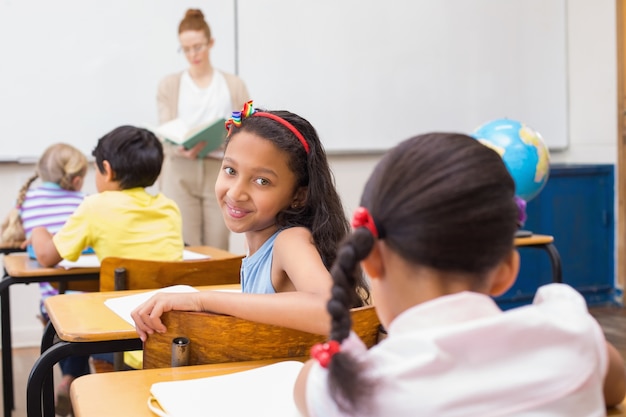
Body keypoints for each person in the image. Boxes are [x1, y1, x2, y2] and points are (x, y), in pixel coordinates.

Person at [294, 133, 626, 416]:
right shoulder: (572, 335)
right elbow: (615, 385)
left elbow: (306, 385)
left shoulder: (355, 390)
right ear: (506, 271)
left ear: (371, 258)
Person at [131, 101, 370, 341]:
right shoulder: (256, 244)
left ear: (298, 195)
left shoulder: (290, 241)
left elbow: (330, 311)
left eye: (262, 181)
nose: (236, 193)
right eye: (230, 171)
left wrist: (200, 300)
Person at [30, 126, 184, 416]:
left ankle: (71, 379)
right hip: (170, 339)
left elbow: (47, 256)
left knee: (60, 322)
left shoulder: (95, 206)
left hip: (118, 341)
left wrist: (38, 231)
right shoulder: (169, 207)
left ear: (107, 170)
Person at [158, 8, 250, 249]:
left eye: (197, 46)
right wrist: (181, 147)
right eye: (186, 49)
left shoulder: (233, 84)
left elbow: (248, 127)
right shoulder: (169, 85)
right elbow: (166, 132)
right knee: (185, 247)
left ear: (210, 43)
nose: (192, 54)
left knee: (217, 246)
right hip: (180, 172)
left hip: (220, 171)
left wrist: (225, 139)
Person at [14, 143, 88, 417]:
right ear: (77, 179)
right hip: (91, 298)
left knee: (58, 324)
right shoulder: (84, 202)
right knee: (82, 321)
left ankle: (70, 382)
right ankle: (75, 385)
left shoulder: (27, 200)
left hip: (52, 303)